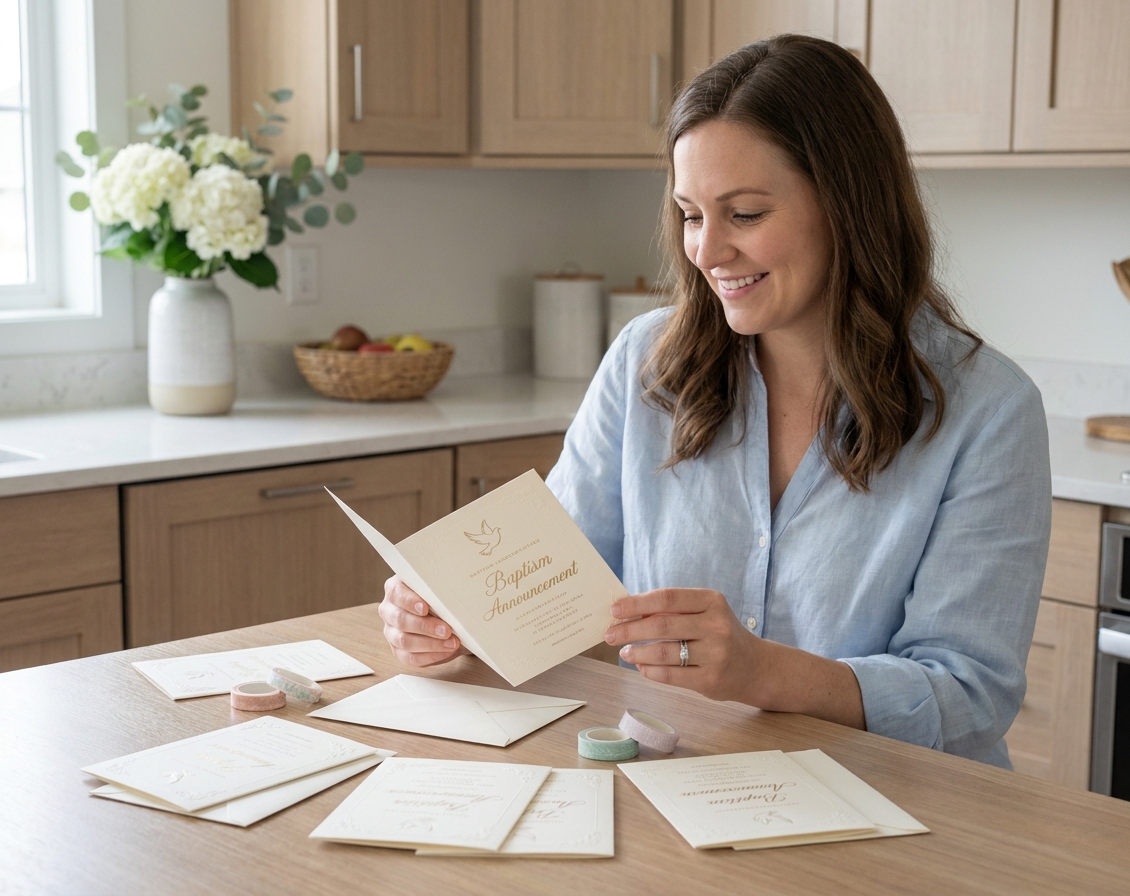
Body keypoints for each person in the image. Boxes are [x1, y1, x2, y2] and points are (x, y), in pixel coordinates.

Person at [377, 35, 1052, 769]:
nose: (705, 252)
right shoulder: (646, 364)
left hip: (899, 808)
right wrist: (454, 615)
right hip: (677, 780)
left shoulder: (988, 410)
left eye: (746, 214)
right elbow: (556, 581)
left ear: (849, 206)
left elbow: (970, 693)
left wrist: (765, 672)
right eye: (692, 215)